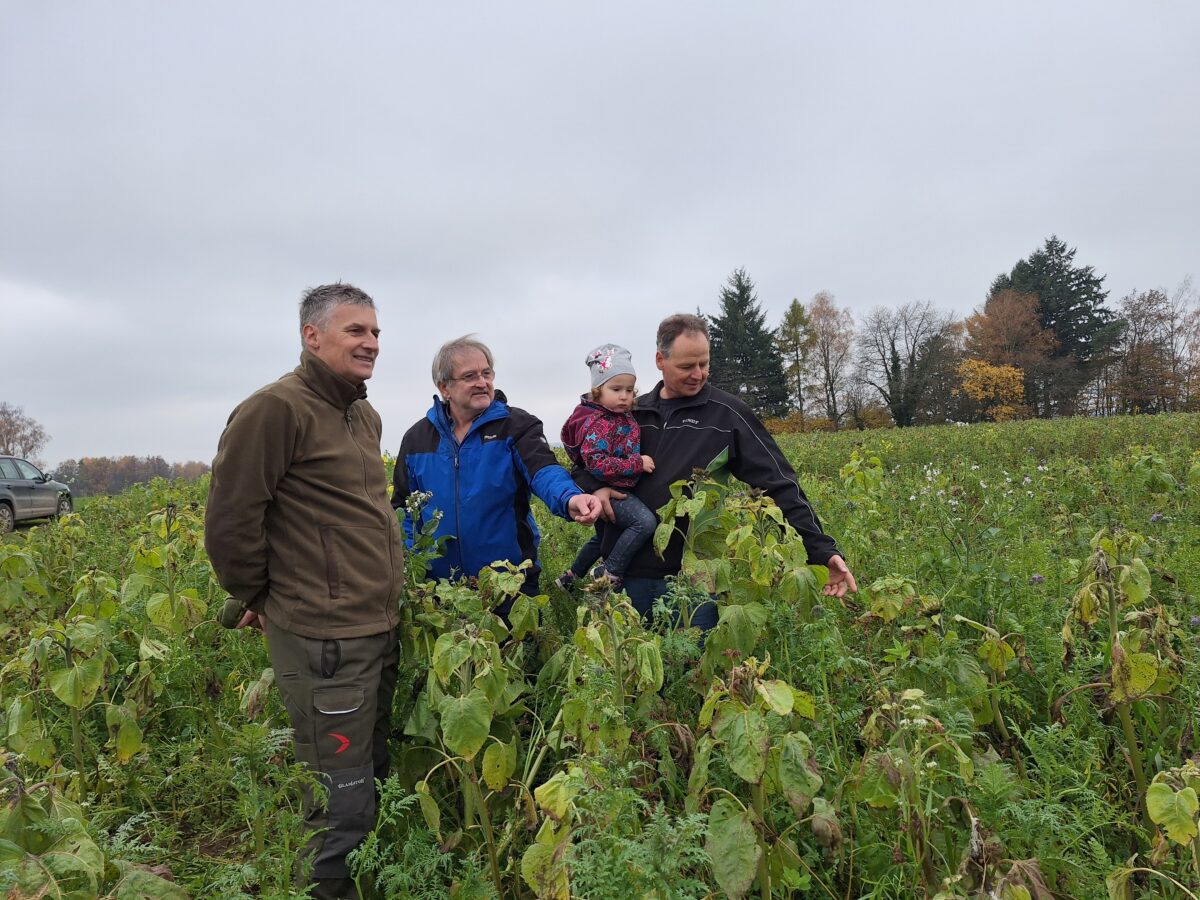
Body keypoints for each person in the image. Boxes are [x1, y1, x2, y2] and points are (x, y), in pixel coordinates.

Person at [205, 283, 404, 900]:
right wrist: (260, 598)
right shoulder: (275, 409)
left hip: (373, 629)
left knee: (368, 775)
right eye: (355, 330)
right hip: (324, 637)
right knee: (338, 798)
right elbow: (231, 521)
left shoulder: (361, 414)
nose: (371, 343)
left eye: (375, 331)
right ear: (311, 336)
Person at [574, 313, 856, 630]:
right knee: (626, 660)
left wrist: (822, 551)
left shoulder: (727, 415)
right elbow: (581, 463)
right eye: (686, 366)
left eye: (704, 364)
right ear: (660, 360)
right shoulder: (627, 412)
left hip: (694, 580)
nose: (698, 374)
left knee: (692, 659)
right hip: (624, 576)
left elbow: (779, 484)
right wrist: (594, 487)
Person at [392, 335, 600, 613]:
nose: (482, 382)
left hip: (510, 585)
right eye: (470, 376)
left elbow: (543, 470)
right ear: (444, 387)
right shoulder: (417, 439)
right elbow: (403, 509)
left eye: (486, 373)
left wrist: (570, 498)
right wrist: (412, 562)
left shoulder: (515, 425)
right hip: (440, 592)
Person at [557, 343, 657, 590]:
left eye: (629, 390)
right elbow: (597, 463)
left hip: (609, 485)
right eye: (616, 389)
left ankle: (569, 577)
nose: (624, 396)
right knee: (644, 523)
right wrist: (637, 463)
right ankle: (609, 571)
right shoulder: (600, 423)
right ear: (597, 390)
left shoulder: (618, 415)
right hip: (608, 487)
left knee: (602, 538)